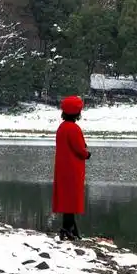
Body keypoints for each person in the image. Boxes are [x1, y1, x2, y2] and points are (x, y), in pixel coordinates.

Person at [52, 95, 91, 241]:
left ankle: (69, 227)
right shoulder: (73, 128)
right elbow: (79, 149)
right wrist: (87, 154)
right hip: (73, 168)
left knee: (66, 199)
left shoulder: (62, 127)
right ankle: (67, 229)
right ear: (77, 113)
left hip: (62, 168)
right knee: (72, 199)